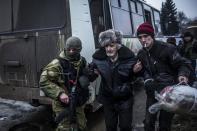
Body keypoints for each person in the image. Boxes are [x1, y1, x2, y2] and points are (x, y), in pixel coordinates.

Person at [136, 22, 192, 131]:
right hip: (152, 93)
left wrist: (182, 75)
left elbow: (183, 64)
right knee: (148, 122)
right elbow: (143, 71)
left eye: (146, 36)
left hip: (169, 93)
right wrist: (138, 72)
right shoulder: (141, 53)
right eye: (140, 37)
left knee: (164, 125)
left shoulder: (167, 48)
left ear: (152, 36)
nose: (143, 40)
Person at [91, 29, 140, 131]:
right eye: (106, 46)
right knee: (110, 127)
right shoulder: (98, 59)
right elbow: (90, 73)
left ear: (117, 45)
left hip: (125, 98)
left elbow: (136, 77)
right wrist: (91, 74)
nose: (109, 49)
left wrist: (136, 72)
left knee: (125, 127)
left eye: (111, 45)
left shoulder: (129, 59)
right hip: (108, 99)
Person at [40, 36, 91, 131]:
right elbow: (44, 81)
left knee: (82, 126)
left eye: (74, 49)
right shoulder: (57, 63)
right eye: (69, 49)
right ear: (65, 48)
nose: (71, 51)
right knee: (64, 127)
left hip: (78, 100)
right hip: (62, 103)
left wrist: (90, 75)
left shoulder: (82, 61)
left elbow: (86, 76)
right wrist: (60, 93)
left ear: (80, 50)